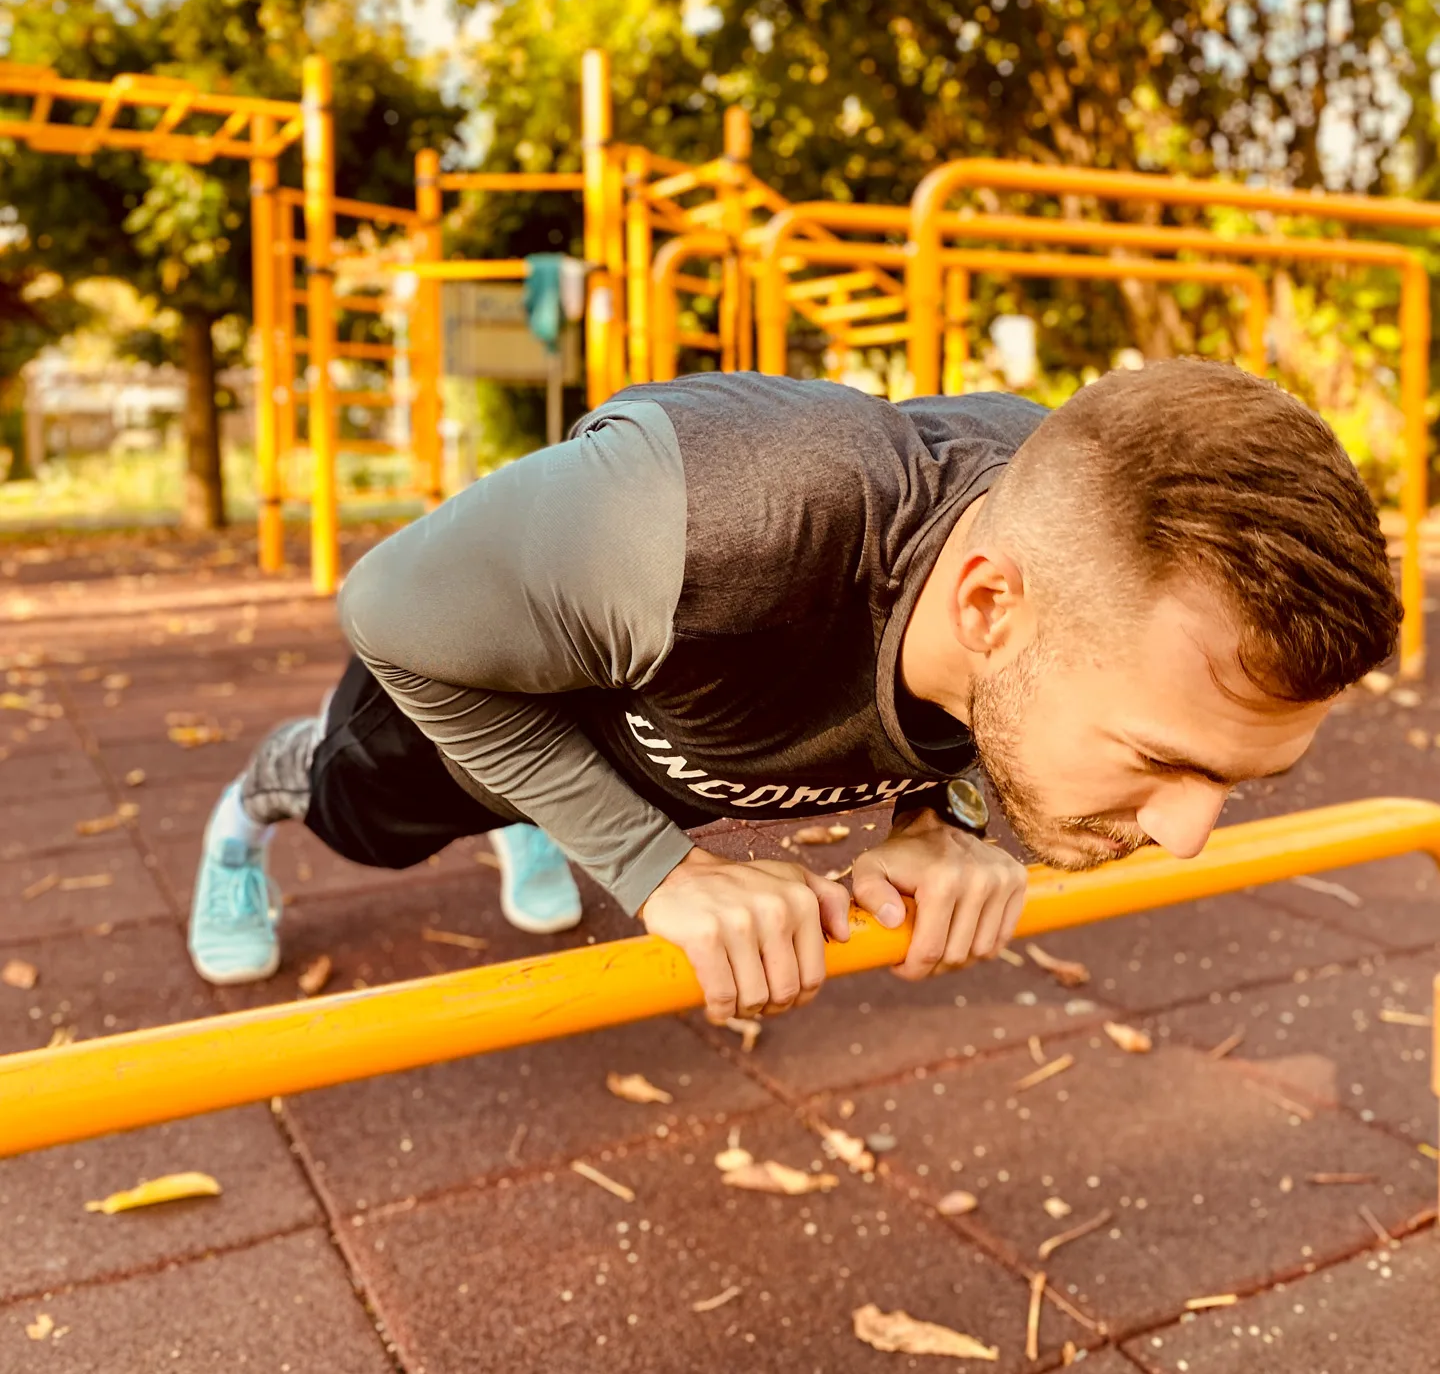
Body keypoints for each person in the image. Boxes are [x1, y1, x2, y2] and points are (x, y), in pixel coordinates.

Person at [187, 362, 1400, 1019]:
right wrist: (659, 867)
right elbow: (387, 608)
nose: (1188, 837)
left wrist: (949, 820)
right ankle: (244, 815)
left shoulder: (1068, 548)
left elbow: (1025, 684)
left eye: (1236, 778)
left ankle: (552, 831)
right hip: (469, 713)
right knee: (365, 822)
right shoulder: (716, 525)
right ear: (985, 606)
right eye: (1161, 759)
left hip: (661, 742)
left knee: (572, 822)